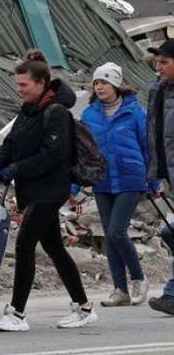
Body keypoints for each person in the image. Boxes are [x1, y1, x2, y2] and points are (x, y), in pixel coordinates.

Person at [0, 49, 97, 332]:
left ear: (41, 82)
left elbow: (52, 155)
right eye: (18, 84)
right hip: (33, 190)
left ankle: (17, 313)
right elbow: (9, 145)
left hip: (50, 189)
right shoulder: (27, 112)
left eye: (24, 85)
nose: (19, 90)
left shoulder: (56, 113)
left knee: (24, 244)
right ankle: (83, 307)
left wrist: (14, 170)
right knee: (54, 247)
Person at [73, 63, 151, 307]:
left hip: (130, 177)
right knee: (110, 235)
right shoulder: (89, 115)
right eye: (96, 83)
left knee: (117, 230)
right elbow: (82, 154)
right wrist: (74, 188)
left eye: (104, 82)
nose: (99, 86)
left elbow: (148, 148)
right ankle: (121, 290)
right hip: (103, 180)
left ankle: (139, 278)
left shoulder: (136, 112)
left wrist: (155, 180)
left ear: (116, 84)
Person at [146, 39, 174, 316]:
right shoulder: (159, 92)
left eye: (164, 62)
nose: (159, 67)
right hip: (169, 176)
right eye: (157, 62)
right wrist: (153, 174)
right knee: (170, 232)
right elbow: (154, 135)